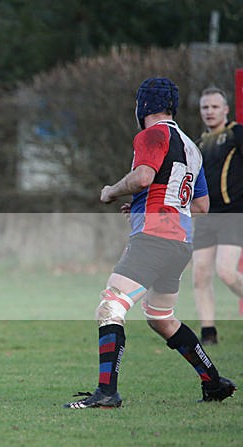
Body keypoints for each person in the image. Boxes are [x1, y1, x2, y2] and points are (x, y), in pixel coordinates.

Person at [64, 78, 236, 409]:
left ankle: (107, 393)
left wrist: (111, 191)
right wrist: (143, 205)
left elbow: (143, 177)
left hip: (156, 237)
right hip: (180, 242)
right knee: (161, 317)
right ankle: (213, 382)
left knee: (111, 305)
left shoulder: (152, 134)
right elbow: (200, 207)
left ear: (142, 106)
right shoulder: (191, 146)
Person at [191, 87, 243, 345]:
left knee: (227, 272)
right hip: (206, 218)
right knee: (200, 273)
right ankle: (208, 333)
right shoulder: (199, 143)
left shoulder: (237, 134)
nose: (209, 112)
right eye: (205, 107)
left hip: (233, 214)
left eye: (214, 107)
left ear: (225, 109)